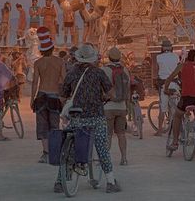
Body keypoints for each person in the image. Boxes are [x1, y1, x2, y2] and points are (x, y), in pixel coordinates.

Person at [55, 44, 120, 193]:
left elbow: (63, 97)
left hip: (76, 116)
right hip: (95, 116)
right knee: (102, 148)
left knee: (70, 148)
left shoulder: (71, 73)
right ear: (93, 59)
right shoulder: (99, 73)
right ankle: (110, 182)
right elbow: (112, 94)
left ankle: (60, 181)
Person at [31, 27, 65, 162]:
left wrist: (32, 98)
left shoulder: (38, 63)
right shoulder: (60, 62)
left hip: (41, 95)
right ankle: (55, 152)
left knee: (42, 125)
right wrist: (63, 97)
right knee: (54, 126)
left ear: (42, 50)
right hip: (55, 96)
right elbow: (63, 80)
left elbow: (35, 82)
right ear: (52, 49)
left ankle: (45, 153)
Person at [165, 49, 195, 158]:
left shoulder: (182, 66)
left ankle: (175, 141)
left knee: (178, 116)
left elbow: (169, 78)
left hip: (186, 97)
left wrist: (166, 89)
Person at [102, 47, 131, 165]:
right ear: (120, 57)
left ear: (109, 57)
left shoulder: (104, 70)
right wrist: (127, 106)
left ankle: (105, 159)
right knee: (121, 134)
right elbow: (127, 89)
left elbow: (101, 89)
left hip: (108, 106)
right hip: (122, 106)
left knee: (108, 135)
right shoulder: (125, 70)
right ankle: (124, 158)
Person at [153, 39, 179, 136]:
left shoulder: (159, 57)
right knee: (176, 107)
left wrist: (155, 80)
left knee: (163, 108)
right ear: (171, 47)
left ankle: (160, 130)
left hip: (164, 84)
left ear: (162, 48)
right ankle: (177, 128)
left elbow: (156, 71)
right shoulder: (176, 56)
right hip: (175, 84)